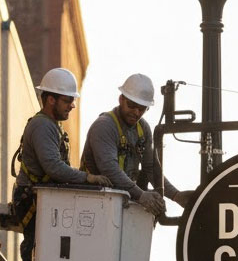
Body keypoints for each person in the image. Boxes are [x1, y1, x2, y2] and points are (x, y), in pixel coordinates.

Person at [11, 67, 112, 261]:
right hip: (32, 201)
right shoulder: (42, 126)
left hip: (43, 200)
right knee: (33, 257)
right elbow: (54, 168)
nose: (72, 105)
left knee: (46, 258)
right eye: (68, 100)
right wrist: (88, 178)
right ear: (51, 99)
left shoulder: (52, 127)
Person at [80, 73, 192, 218]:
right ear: (121, 99)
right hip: (93, 200)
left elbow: (150, 167)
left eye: (142, 108)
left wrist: (176, 195)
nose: (136, 112)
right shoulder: (104, 126)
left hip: (119, 199)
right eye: (132, 106)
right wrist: (141, 195)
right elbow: (109, 169)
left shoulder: (142, 129)